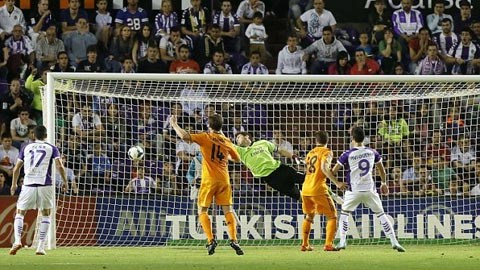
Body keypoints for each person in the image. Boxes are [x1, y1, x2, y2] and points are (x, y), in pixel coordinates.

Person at [169, 114, 244, 256]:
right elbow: (237, 159)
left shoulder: (205, 137)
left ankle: (211, 240)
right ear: (221, 126)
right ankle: (234, 240)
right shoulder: (227, 140)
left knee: (202, 211)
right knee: (227, 210)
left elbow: (185, 136)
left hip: (209, 180)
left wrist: (174, 124)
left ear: (209, 126)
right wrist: (224, 154)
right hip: (224, 179)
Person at [331, 127, 405, 252]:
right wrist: (383, 183)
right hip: (370, 190)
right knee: (381, 215)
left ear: (352, 138)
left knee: (344, 214)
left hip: (353, 190)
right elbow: (382, 169)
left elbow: (333, 171)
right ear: (364, 138)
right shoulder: (373, 152)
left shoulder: (347, 154)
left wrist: (336, 181)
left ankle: (342, 241)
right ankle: (394, 241)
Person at [9, 125, 68, 256]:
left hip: (28, 184)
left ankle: (17, 240)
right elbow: (60, 166)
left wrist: (14, 184)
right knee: (46, 213)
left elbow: (17, 168)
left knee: (20, 212)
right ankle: (41, 247)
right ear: (46, 136)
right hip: (45, 184)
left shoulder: (26, 147)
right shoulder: (52, 148)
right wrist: (65, 182)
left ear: (33, 135)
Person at [301, 131, 346, 252]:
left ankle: (305, 245)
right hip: (318, 189)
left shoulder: (310, 153)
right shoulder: (327, 152)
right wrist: (337, 183)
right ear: (327, 141)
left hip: (305, 188)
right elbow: (323, 168)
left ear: (316, 141)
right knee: (332, 216)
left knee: (309, 216)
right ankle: (328, 245)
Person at [234, 131, 304, 201]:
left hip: (280, 169)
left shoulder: (263, 142)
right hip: (271, 179)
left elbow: (279, 150)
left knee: (305, 179)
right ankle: (311, 208)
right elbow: (225, 143)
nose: (237, 140)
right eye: (236, 139)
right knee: (298, 196)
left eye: (238, 137)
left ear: (246, 136)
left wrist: (293, 156)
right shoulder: (240, 152)